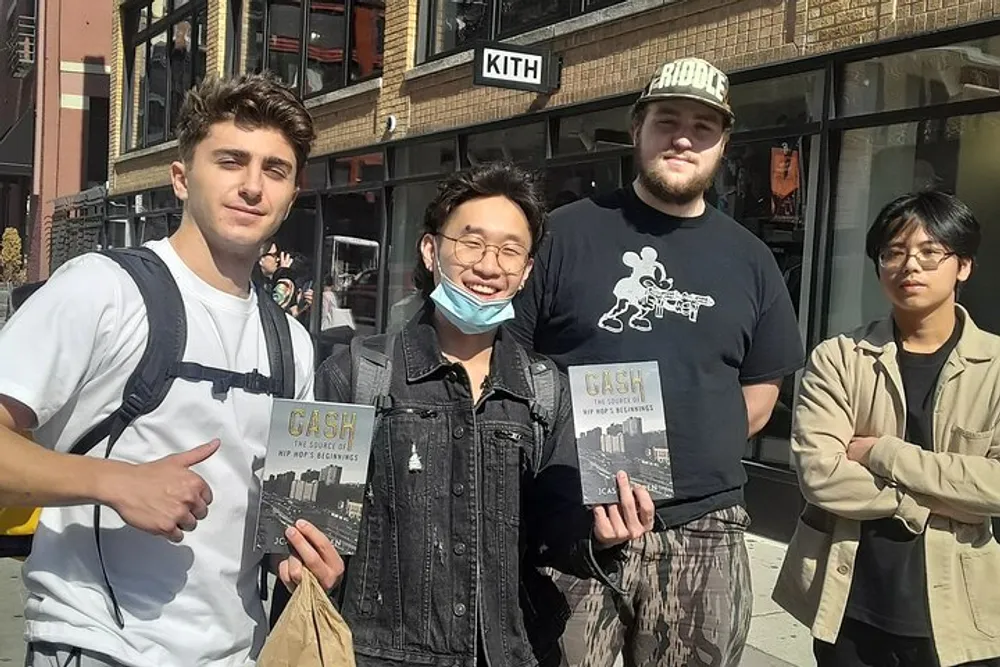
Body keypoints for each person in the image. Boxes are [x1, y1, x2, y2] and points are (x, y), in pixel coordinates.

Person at [0, 73, 343, 667]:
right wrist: (115, 482)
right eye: (231, 162)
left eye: (275, 170)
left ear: (292, 194)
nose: (253, 187)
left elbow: (293, 513)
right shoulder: (102, 289)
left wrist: (306, 554)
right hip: (97, 647)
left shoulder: (293, 343)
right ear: (182, 178)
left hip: (241, 653)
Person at [508, 56, 806, 667]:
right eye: (666, 120)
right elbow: (513, 366)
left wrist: (693, 450)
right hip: (574, 522)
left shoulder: (750, 258)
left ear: (722, 143)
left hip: (704, 526)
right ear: (637, 129)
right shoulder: (563, 233)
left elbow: (760, 393)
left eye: (703, 127)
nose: (682, 137)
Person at [313, 161, 657, 667]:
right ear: (431, 251)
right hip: (379, 654)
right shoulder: (357, 374)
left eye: (509, 250)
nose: (489, 266)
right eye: (471, 243)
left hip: (509, 651)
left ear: (526, 273)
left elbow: (553, 530)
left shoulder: (545, 390)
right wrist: (300, 557)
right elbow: (309, 523)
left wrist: (597, 536)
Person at [773, 191, 1000, 667]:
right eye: (892, 252)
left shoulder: (995, 367)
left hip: (962, 614)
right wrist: (930, 500)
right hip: (850, 605)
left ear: (963, 266)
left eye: (929, 252)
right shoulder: (838, 358)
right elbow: (819, 475)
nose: (908, 265)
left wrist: (883, 454)